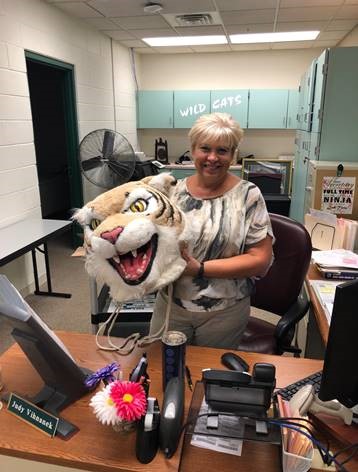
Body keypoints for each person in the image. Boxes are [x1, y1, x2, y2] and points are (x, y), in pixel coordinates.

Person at [149, 112, 273, 349]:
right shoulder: (172, 193)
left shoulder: (249, 195)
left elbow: (260, 260)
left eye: (223, 151)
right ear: (193, 150)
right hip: (170, 304)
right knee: (160, 369)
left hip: (223, 312)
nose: (212, 158)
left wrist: (201, 269)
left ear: (233, 155)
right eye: (205, 148)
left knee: (210, 378)